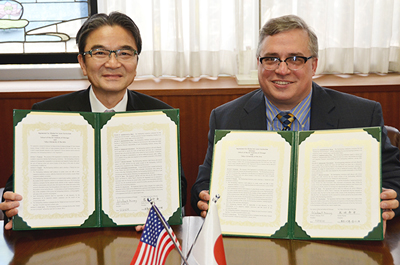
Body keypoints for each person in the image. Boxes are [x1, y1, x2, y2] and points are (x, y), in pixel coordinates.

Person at [191, 15, 400, 227]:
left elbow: (394, 176)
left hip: (335, 241)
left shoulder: (361, 115)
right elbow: (204, 184)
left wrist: (393, 198)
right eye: (271, 58)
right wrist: (204, 198)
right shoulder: (227, 118)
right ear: (259, 63)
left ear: (314, 65)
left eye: (295, 59)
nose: (282, 70)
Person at [1, 12, 187, 230]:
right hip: (64, 238)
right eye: (100, 52)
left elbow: (178, 187)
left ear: (136, 61)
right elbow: (19, 185)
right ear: (82, 62)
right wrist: (13, 203)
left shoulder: (160, 117)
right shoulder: (46, 115)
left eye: (124, 53)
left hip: (136, 236)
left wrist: (164, 209)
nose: (112, 63)